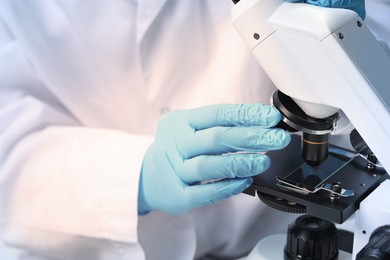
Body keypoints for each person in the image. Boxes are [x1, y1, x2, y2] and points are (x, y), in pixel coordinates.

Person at [0, 0, 387, 259]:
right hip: (93, 241)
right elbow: (9, 143)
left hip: (275, 231)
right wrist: (135, 177)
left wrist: (352, 46)